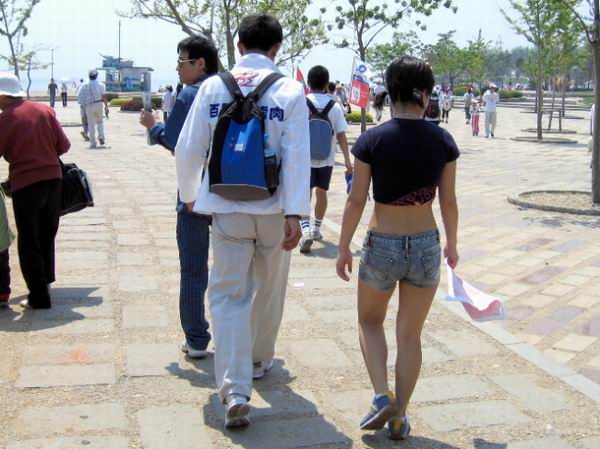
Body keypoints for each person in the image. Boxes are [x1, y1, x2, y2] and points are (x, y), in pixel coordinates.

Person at [175, 14, 310, 429]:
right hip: (274, 208)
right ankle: (257, 360)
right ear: (277, 47)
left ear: (238, 46)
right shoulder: (290, 90)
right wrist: (296, 213)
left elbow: (187, 149)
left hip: (227, 207)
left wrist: (191, 195)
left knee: (228, 294)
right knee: (269, 288)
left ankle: (234, 389)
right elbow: (298, 156)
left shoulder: (214, 86)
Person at [335, 56, 459, 441]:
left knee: (369, 321)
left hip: (382, 244)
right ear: (425, 94)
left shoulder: (372, 140)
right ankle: (400, 416)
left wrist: (343, 247)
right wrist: (453, 244)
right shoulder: (443, 140)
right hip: (425, 243)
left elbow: (356, 200)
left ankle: (380, 396)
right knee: (410, 335)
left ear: (390, 92)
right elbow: (448, 201)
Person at [139, 34, 219, 359]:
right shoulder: (229, 91)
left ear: (200, 63)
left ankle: (197, 339)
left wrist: (152, 125)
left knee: (194, 269)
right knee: (236, 270)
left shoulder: (190, 95)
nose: (177, 68)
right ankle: (240, 339)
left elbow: (174, 141)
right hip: (231, 191)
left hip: (194, 194)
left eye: (181, 61)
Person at [0, 72, 71, 309]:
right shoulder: (44, 111)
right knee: (46, 234)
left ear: (4, 96)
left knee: (29, 239)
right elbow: (64, 145)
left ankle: (39, 297)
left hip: (26, 184)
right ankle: (46, 281)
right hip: (53, 180)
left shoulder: (5, 118)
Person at [300, 65, 352, 253]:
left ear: (308, 82)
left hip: (304, 158)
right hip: (326, 159)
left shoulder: (301, 103)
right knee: (322, 193)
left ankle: (305, 230)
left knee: (304, 193)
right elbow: (341, 135)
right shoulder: (334, 106)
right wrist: (347, 161)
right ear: (325, 84)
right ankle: (316, 229)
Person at [78, 69, 108, 148]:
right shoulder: (101, 85)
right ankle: (101, 136)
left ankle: (93, 143)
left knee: (91, 124)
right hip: (98, 104)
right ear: (96, 75)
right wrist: (106, 106)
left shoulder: (85, 85)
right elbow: (104, 96)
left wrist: (83, 106)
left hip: (89, 106)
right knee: (100, 122)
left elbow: (80, 96)